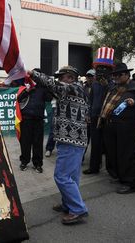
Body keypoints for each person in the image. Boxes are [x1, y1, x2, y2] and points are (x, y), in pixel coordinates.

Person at [29, 65, 89, 225]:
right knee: (71, 177)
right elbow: (52, 88)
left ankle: (77, 209)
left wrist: (32, 73)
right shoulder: (73, 90)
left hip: (72, 140)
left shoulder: (75, 88)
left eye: (61, 77)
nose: (58, 80)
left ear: (70, 77)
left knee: (61, 176)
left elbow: (51, 84)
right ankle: (68, 203)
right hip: (70, 140)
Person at [98, 63, 135, 194]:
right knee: (113, 153)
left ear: (126, 75)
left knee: (126, 154)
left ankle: (130, 183)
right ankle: (119, 176)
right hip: (111, 124)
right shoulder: (114, 87)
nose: (115, 77)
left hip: (127, 126)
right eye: (114, 75)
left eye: (118, 75)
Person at [83, 47, 115, 175]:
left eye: (104, 68)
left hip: (107, 117)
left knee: (108, 145)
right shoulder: (94, 84)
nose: (101, 70)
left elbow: (113, 97)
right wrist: (88, 114)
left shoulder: (113, 84)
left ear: (110, 70)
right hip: (95, 117)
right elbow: (90, 101)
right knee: (95, 144)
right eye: (99, 67)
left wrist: (106, 84)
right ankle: (94, 167)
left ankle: (111, 169)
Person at [17, 68, 53, 173]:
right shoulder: (25, 85)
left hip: (38, 119)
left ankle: (37, 164)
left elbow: (49, 99)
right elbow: (19, 99)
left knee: (38, 142)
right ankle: (24, 161)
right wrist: (27, 91)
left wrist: (47, 87)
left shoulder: (43, 87)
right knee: (25, 142)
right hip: (26, 119)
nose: (33, 77)